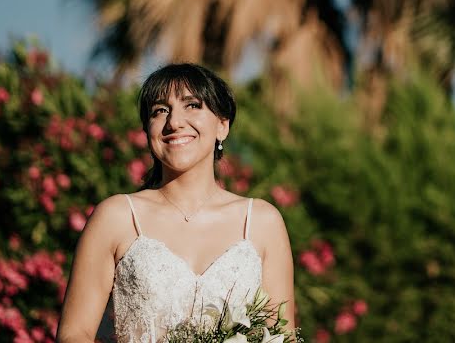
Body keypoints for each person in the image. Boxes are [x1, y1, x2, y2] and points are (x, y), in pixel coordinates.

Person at [57, 64, 296, 343]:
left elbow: (283, 336)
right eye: (160, 110)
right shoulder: (116, 217)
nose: (174, 122)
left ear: (222, 125)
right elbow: (74, 334)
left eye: (192, 105)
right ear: (148, 130)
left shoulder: (262, 221)